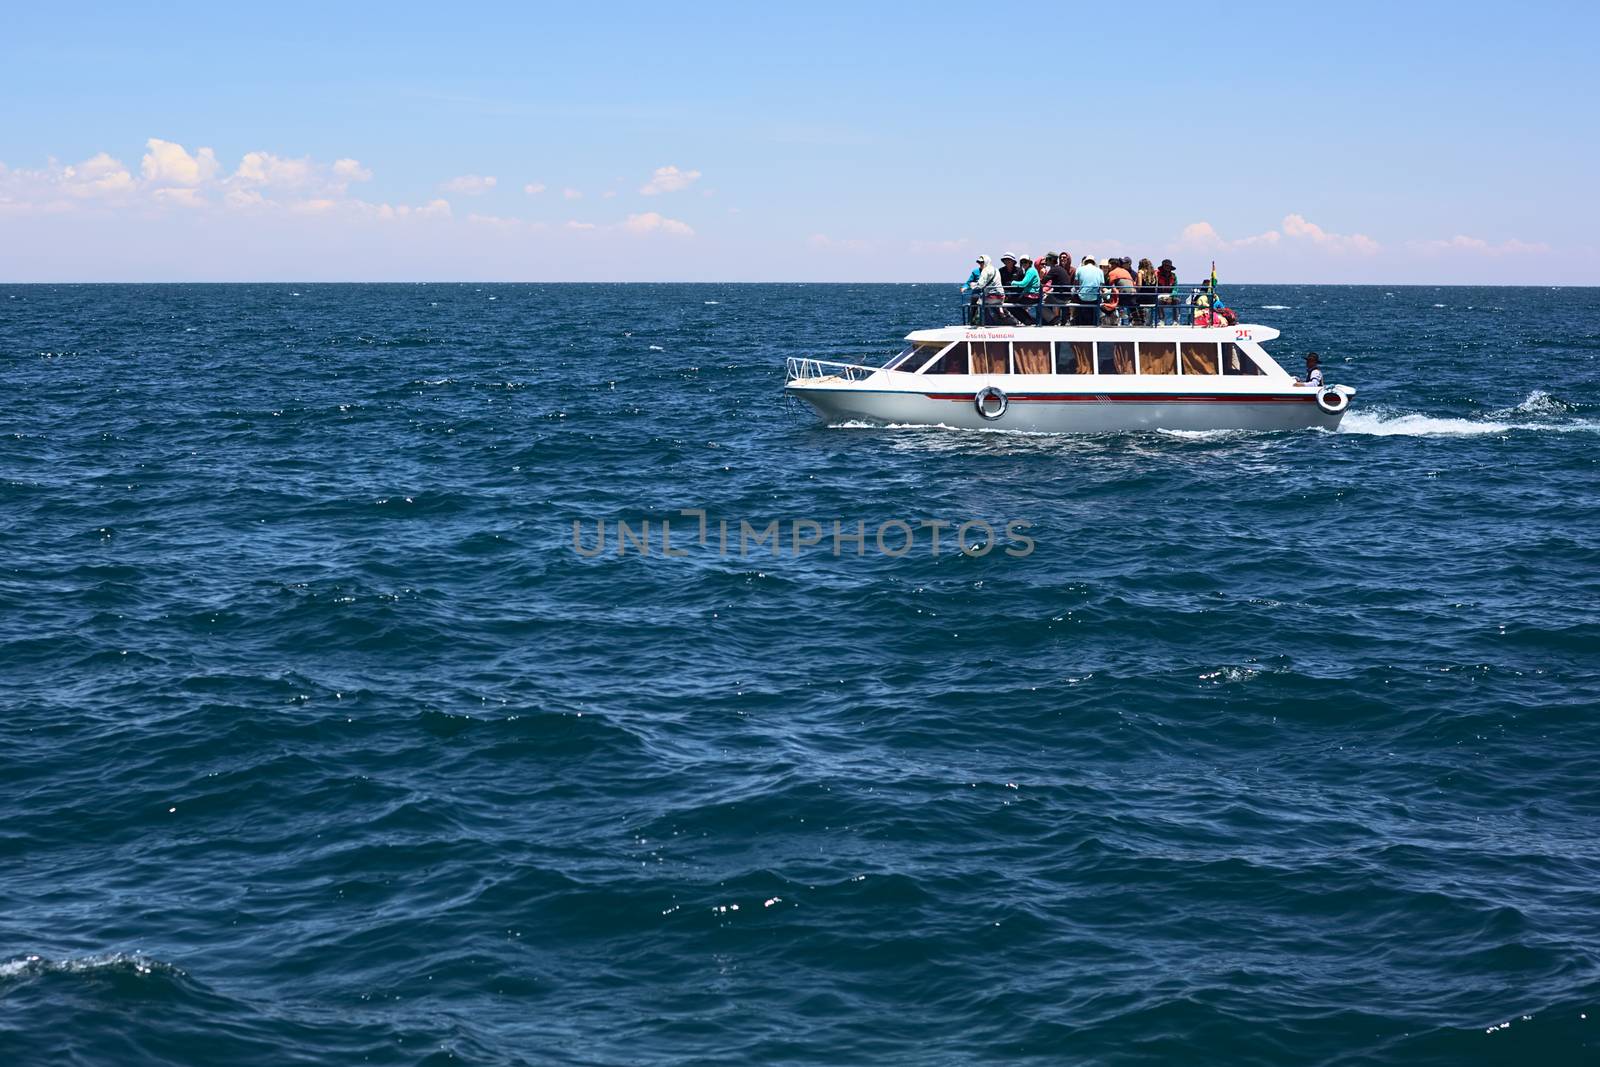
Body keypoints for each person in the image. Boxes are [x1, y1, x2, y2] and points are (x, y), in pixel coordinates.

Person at [962, 255, 1005, 324]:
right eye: (979, 262)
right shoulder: (996, 270)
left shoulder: (985, 271)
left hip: (989, 296)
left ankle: (983, 322)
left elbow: (980, 285)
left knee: (979, 302)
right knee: (978, 299)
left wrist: (972, 286)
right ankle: (1000, 317)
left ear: (986, 262)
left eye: (982, 262)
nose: (980, 264)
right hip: (1001, 296)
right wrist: (965, 287)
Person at [1042, 254, 1073, 325]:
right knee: (1049, 298)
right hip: (1066, 296)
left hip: (1061, 297)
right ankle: (1056, 319)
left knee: (1041, 302)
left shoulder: (1054, 269)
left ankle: (1053, 319)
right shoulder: (1059, 268)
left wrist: (1042, 273)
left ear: (1051, 260)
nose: (1045, 262)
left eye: (1047, 259)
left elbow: (1043, 281)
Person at [1105, 257, 1137, 325]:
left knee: (1104, 304)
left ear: (1113, 265)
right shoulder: (1126, 271)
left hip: (1124, 297)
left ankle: (1114, 319)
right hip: (1133, 296)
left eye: (1109, 265)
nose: (1108, 266)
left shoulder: (1112, 273)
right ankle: (1124, 315)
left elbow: (1112, 287)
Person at [1074, 256, 1104, 326]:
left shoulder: (1079, 269)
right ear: (1094, 263)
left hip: (1082, 297)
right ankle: (1096, 323)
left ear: (1085, 262)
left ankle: (1075, 321)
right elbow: (1101, 286)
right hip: (1095, 298)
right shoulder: (1100, 271)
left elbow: (1076, 285)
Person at [1010, 256, 1041, 324]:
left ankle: (1027, 320)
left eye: (1026, 262)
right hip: (1032, 296)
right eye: (1022, 262)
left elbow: (1024, 283)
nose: (1024, 263)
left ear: (1029, 263)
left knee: (1010, 304)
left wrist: (1012, 282)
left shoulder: (1030, 271)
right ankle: (1028, 320)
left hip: (1032, 297)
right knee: (1013, 303)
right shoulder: (1029, 271)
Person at [1155, 259, 1178, 325]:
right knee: (1158, 301)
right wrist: (1160, 296)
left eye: (1168, 266)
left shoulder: (1174, 276)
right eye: (1165, 266)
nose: (1167, 267)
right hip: (1160, 296)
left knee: (1176, 301)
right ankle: (1161, 320)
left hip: (1171, 296)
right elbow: (1155, 287)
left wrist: (1172, 296)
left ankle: (1175, 321)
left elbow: (1175, 288)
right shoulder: (1157, 276)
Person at [1136, 258, 1158, 326]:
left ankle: (1138, 320)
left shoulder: (1140, 272)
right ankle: (1149, 321)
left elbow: (1139, 286)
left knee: (1131, 301)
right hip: (1152, 298)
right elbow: (1156, 287)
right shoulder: (1154, 273)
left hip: (1143, 298)